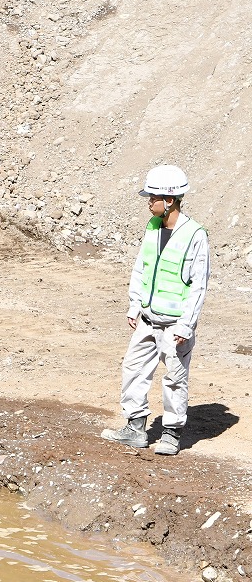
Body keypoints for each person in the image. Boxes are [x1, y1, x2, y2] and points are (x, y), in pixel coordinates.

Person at [101, 164, 210, 456]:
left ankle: (172, 434)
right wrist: (135, 304)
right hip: (148, 319)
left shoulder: (195, 235)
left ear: (170, 200)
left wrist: (186, 325)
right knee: (133, 369)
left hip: (175, 325)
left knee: (175, 378)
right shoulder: (152, 228)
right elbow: (142, 268)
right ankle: (135, 429)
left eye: (153, 197)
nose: (149, 202)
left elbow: (198, 285)